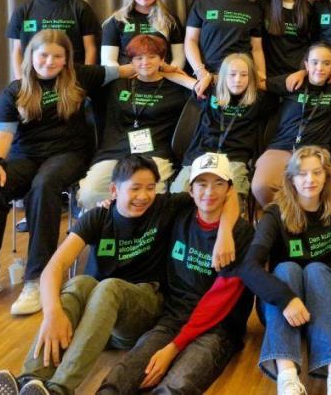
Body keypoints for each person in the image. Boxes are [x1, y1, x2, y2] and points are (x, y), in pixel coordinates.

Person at [0, 155, 237, 395]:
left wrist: (225, 232)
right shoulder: (98, 217)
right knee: (79, 283)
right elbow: (54, 267)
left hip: (143, 309)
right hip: (99, 319)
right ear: (114, 190)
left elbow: (228, 193)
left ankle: (59, 388)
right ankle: (30, 379)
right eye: (135, 188)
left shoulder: (164, 206)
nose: (143, 196)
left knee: (108, 287)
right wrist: (52, 313)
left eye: (150, 188)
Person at [0, 31, 132, 315]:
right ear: (31, 56)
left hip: (69, 155)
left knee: (44, 185)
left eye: (57, 56)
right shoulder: (15, 91)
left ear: (66, 59)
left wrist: (163, 68)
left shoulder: (81, 76)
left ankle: (37, 279)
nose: (49, 62)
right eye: (43, 55)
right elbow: (2, 135)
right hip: (25, 156)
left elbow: (124, 69)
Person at [95, 153, 255, 395]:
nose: (209, 192)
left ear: (229, 190)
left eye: (218, 184)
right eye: (202, 184)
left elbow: (217, 303)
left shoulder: (242, 235)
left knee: (176, 386)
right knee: (123, 375)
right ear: (190, 190)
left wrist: (173, 348)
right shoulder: (177, 215)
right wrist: (111, 204)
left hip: (217, 329)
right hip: (172, 318)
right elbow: (135, 208)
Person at [240, 147, 331, 395]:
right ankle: (287, 378)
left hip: (326, 298)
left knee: (316, 269)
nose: (310, 180)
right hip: (282, 306)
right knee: (287, 268)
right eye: (302, 174)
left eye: (317, 172)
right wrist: (286, 299)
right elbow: (249, 267)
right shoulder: (275, 213)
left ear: (327, 176)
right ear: (291, 179)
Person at [78, 34, 193, 208]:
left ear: (162, 58)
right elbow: (78, 76)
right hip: (115, 152)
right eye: (138, 58)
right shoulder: (117, 85)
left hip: (154, 153)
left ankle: (131, 223)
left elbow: (209, 93)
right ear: (130, 60)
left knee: (146, 196)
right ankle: (106, 221)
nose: (145, 62)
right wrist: (120, 71)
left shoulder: (176, 89)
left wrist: (179, 76)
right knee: (89, 194)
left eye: (152, 57)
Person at [253, 43, 331, 207]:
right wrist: (301, 73)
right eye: (314, 62)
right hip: (283, 146)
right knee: (261, 186)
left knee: (309, 189)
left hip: (316, 148)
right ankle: (283, 217)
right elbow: (259, 82)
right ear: (307, 64)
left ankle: (300, 216)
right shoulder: (294, 82)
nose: (320, 68)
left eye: (326, 63)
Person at [170, 53, 268, 197]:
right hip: (200, 156)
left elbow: (284, 87)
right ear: (222, 76)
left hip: (233, 160)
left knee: (233, 200)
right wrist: (208, 77)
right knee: (177, 195)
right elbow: (178, 77)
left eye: (244, 75)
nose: (237, 80)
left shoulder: (258, 99)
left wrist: (262, 80)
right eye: (232, 74)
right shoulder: (209, 91)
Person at [6, 0, 101, 78]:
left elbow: (91, 49)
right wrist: (20, 82)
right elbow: (17, 52)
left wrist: (86, 80)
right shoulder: (23, 10)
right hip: (34, 81)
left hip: (72, 81)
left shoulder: (80, 8)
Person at [185, 0, 266, 81]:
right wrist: (200, 71)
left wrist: (261, 77)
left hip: (241, 78)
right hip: (209, 77)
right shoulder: (203, 3)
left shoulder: (254, 9)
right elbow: (190, 40)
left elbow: (256, 49)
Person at [101, 0, 185, 68]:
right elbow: (108, 60)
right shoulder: (117, 20)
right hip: (127, 75)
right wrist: (127, 73)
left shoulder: (170, 20)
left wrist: (166, 73)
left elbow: (179, 59)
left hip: (163, 75)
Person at [260, 0, 313, 77]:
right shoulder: (264, 6)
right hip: (271, 74)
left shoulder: (308, 8)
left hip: (298, 73)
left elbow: (314, 42)